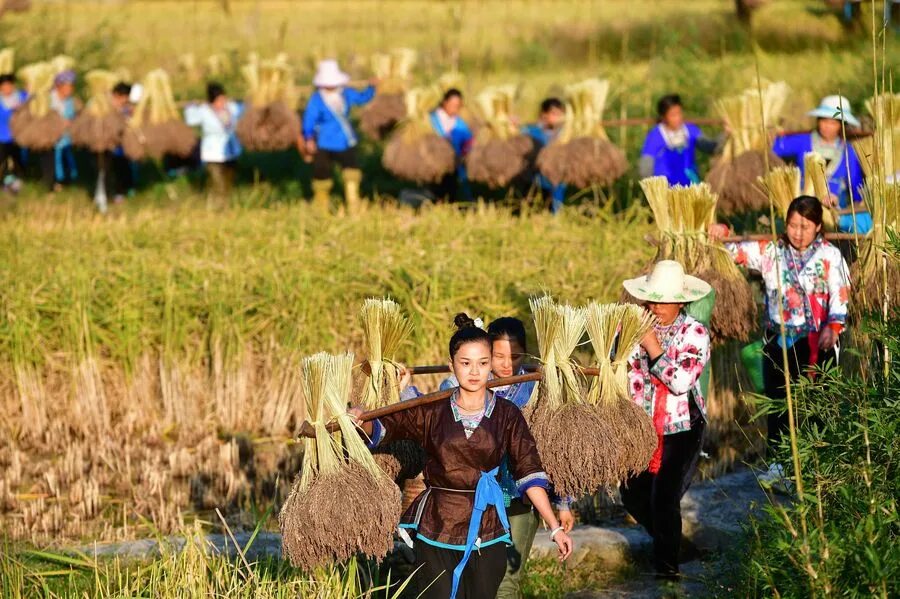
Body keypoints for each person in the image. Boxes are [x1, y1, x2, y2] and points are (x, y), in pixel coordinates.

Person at [351, 314, 574, 599]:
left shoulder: (507, 415)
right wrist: (361, 419)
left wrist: (554, 527)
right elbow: (391, 424)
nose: (474, 372)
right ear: (451, 365)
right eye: (465, 363)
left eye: (482, 363)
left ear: (489, 364)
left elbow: (529, 472)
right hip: (438, 525)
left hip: (487, 526)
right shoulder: (432, 410)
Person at [710, 196, 851, 491]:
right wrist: (721, 234)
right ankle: (780, 465)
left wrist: (834, 327)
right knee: (777, 404)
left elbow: (841, 294)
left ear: (817, 227)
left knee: (815, 406)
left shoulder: (830, 256)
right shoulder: (771, 252)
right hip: (778, 341)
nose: (798, 232)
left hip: (816, 344)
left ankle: (816, 467)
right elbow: (734, 251)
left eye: (805, 225)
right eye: (792, 225)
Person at [436, 316, 574, 599]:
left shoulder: (537, 388)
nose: (507, 364)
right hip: (475, 504)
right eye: (498, 356)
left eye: (516, 355)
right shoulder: (469, 388)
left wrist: (563, 503)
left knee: (507, 583)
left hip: (520, 501)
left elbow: (558, 450)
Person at [621, 260, 712, 581]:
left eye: (664, 300)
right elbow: (623, 373)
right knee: (631, 494)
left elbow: (681, 381)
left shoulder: (695, 333)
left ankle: (667, 573)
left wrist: (651, 345)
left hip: (682, 427)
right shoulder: (628, 329)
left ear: (681, 301)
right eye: (651, 299)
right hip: (641, 425)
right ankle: (675, 546)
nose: (655, 306)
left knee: (664, 496)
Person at [772, 96, 869, 234]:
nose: (827, 127)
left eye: (833, 122)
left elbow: (856, 187)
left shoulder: (848, 151)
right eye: (824, 121)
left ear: (841, 124)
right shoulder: (802, 141)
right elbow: (772, 149)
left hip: (835, 213)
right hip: (801, 208)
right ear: (818, 121)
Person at [301, 59, 375, 212]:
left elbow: (362, 98)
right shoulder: (316, 100)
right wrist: (309, 138)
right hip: (324, 142)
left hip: (345, 141)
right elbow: (309, 120)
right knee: (322, 174)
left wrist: (372, 87)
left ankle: (353, 203)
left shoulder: (346, 93)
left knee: (351, 171)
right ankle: (321, 207)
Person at [639, 94, 721, 186]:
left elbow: (710, 147)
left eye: (679, 113)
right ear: (663, 117)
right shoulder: (655, 136)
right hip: (666, 189)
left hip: (691, 187)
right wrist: (652, 189)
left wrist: (725, 134)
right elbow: (645, 167)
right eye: (673, 115)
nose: (678, 118)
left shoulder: (691, 130)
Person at [184, 82, 242, 200]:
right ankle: (217, 207)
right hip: (213, 154)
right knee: (218, 183)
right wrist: (190, 106)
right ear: (212, 101)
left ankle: (227, 204)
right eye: (218, 101)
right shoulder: (204, 111)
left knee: (229, 181)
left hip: (230, 152)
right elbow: (190, 120)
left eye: (223, 99)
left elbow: (242, 110)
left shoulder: (230, 108)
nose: (221, 103)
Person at [522, 98, 567, 214]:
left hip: (557, 175)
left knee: (557, 197)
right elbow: (518, 134)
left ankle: (556, 216)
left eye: (561, 114)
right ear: (544, 114)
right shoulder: (533, 130)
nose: (559, 117)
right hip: (536, 175)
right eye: (554, 114)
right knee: (533, 201)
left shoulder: (564, 132)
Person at [430, 88, 473, 202]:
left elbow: (468, 142)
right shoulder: (431, 119)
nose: (455, 108)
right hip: (434, 166)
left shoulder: (459, 123)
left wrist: (464, 154)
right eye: (453, 104)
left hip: (455, 166)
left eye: (458, 105)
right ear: (445, 102)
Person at [44, 69, 79, 191]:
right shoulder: (49, 100)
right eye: (68, 86)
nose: (70, 89)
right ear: (59, 86)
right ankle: (53, 185)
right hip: (52, 139)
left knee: (67, 161)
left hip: (66, 139)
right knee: (53, 162)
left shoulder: (70, 101)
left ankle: (64, 183)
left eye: (71, 87)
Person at [0, 73, 26, 193]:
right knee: (3, 162)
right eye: (4, 86)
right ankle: (4, 183)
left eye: (9, 86)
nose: (7, 89)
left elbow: (32, 95)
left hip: (17, 137)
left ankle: (16, 184)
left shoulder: (19, 97)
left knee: (18, 161)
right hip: (2, 138)